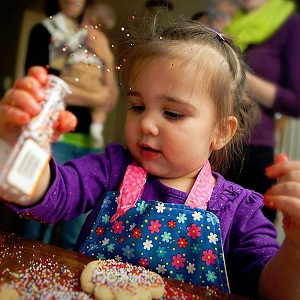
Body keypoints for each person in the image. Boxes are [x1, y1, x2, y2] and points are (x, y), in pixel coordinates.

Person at [1, 21, 300, 299]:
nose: (146, 124)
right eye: (137, 106)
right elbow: (54, 195)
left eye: (172, 113)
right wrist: (16, 155)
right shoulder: (112, 169)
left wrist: (296, 248)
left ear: (221, 131)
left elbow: (271, 290)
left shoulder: (240, 211)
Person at [22, 0, 119, 250]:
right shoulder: (47, 32)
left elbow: (112, 99)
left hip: (89, 144)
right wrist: (96, 97)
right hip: (55, 138)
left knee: (76, 227)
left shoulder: (95, 40)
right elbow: (42, 84)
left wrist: (107, 56)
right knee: (34, 217)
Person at [225, 0, 300, 222]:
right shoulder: (232, 23)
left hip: (252, 151)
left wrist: (236, 73)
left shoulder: (289, 24)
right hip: (213, 146)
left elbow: (296, 102)